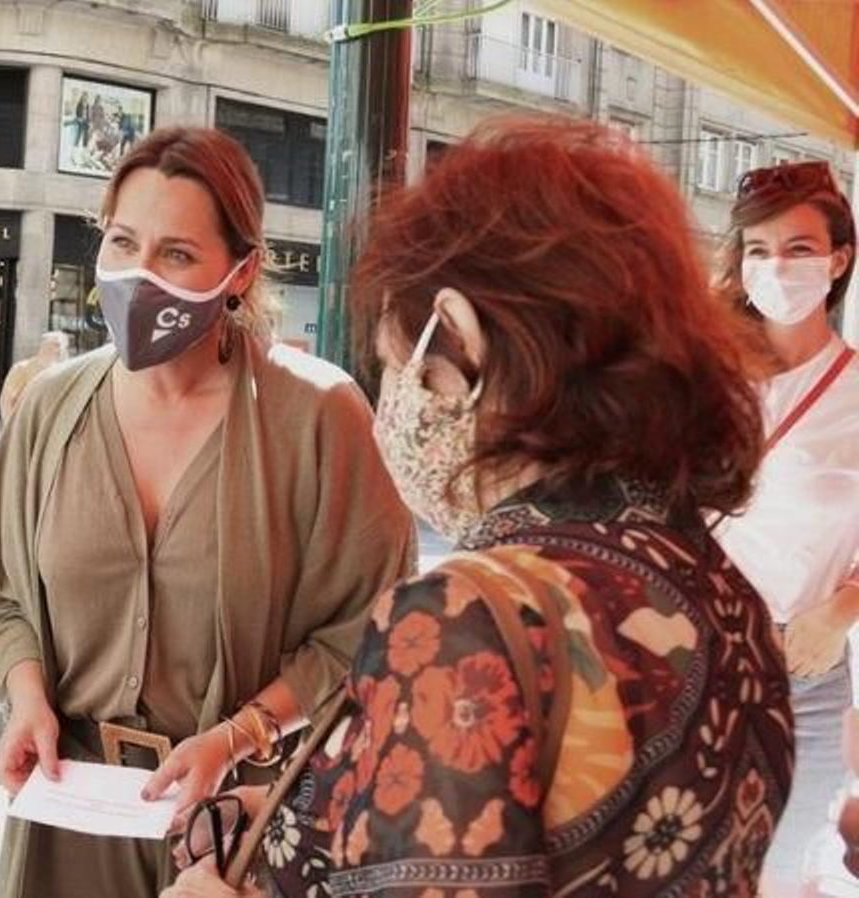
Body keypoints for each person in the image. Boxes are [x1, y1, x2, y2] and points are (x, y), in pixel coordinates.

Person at [163, 118, 793, 897]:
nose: (393, 401)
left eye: (395, 364)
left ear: (457, 336)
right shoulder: (723, 595)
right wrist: (312, 816)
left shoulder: (470, 616)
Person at [0, 126, 417, 898]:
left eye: (177, 254)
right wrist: (23, 694)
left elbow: (369, 630)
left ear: (241, 271)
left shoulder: (318, 416)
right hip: (68, 815)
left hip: (233, 828)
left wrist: (240, 735)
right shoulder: (52, 407)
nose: (139, 276)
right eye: (123, 242)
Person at [710, 159, 859, 896]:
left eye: (799, 249)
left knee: (774, 873)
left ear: (838, 260)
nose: (776, 267)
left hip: (803, 672)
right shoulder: (697, 380)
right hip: (688, 659)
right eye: (759, 250)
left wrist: (843, 608)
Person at [0, 330, 72, 420]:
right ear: (43, 345)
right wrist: (11, 425)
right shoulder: (22, 368)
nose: (59, 350)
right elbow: (6, 402)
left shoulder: (60, 371)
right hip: (24, 422)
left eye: (62, 346)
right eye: (56, 345)